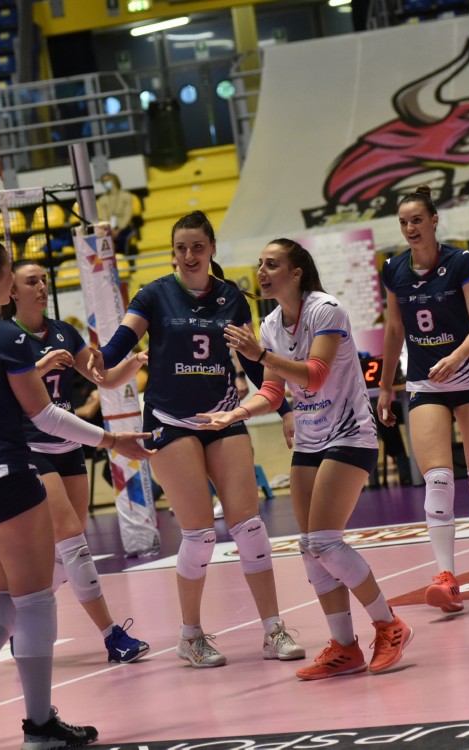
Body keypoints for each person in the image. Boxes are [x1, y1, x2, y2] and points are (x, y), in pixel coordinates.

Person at [0, 237, 153, 750]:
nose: (15, 281)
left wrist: (37, 370)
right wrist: (112, 440)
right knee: (34, 598)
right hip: (1, 476)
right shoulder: (6, 335)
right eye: (11, 273)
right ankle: (39, 726)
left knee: (12, 592)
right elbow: (44, 416)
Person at [97, 210, 304, 668]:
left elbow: (253, 363)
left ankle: (273, 630)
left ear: (211, 249)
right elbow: (120, 342)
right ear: (173, 252)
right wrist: (97, 358)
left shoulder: (232, 298)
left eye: (197, 247)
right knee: (200, 534)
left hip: (223, 414)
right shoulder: (153, 294)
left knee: (250, 527)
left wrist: (285, 409)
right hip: (170, 420)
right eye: (181, 248)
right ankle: (190, 635)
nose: (189, 255)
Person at [201, 238, 414, 679]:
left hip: (350, 433)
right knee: (309, 547)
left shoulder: (326, 310)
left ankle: (389, 624)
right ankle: (344, 646)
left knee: (325, 541)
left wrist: (260, 355)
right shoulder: (270, 325)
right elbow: (272, 390)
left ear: (295, 273)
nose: (261, 271)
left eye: (271, 264)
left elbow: (315, 376)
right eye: (259, 264)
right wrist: (236, 414)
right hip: (310, 439)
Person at [2, 260, 151, 664]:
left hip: (69, 446)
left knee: (65, 551)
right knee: (72, 538)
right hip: (31, 448)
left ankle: (19, 621)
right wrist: (41, 367)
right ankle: (112, 635)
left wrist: (135, 363)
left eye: (44, 280)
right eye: (31, 281)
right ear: (12, 291)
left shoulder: (64, 333)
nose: (41, 287)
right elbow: (1, 390)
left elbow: (105, 379)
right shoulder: (7, 337)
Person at [377, 185, 469, 613]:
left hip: (467, 377)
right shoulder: (393, 268)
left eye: (417, 220)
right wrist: (385, 386)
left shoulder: (461, 261)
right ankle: (446, 577)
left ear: (434, 220)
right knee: (437, 478)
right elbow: (394, 329)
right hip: (425, 383)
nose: (410, 228)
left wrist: (455, 357)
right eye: (403, 222)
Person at [95, 172, 136, 256]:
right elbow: (104, 217)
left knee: (122, 238)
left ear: (114, 180)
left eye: (108, 180)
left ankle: (124, 259)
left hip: (124, 227)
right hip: (109, 228)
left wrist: (119, 230)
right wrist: (111, 230)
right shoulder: (102, 199)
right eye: (104, 181)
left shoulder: (126, 196)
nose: (106, 183)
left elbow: (127, 215)